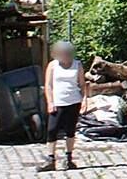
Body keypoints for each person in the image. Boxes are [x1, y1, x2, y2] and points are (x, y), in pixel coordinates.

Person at [37, 41, 88, 172]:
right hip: (57, 102)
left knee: (70, 130)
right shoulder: (53, 66)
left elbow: (82, 85)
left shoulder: (77, 65)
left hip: (73, 101)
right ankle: (50, 159)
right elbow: (48, 85)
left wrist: (84, 100)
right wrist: (50, 102)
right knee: (52, 130)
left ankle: (69, 158)